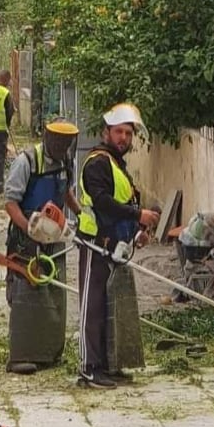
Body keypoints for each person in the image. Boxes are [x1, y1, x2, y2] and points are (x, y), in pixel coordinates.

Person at [76, 103, 160, 389]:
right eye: (119, 132)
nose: (124, 137)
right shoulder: (98, 162)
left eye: (128, 133)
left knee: (109, 307)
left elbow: (122, 203)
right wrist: (139, 216)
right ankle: (88, 369)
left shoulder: (115, 163)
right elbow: (102, 202)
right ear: (106, 132)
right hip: (95, 243)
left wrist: (136, 232)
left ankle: (106, 365)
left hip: (114, 245)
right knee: (92, 307)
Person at [3, 119, 81, 374]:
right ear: (48, 137)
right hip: (27, 237)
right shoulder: (27, 161)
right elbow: (10, 203)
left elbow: (66, 192)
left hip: (54, 234)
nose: (61, 146)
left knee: (53, 292)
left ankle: (49, 351)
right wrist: (29, 228)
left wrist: (81, 215)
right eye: (58, 141)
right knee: (27, 292)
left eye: (66, 142)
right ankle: (21, 355)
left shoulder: (65, 162)